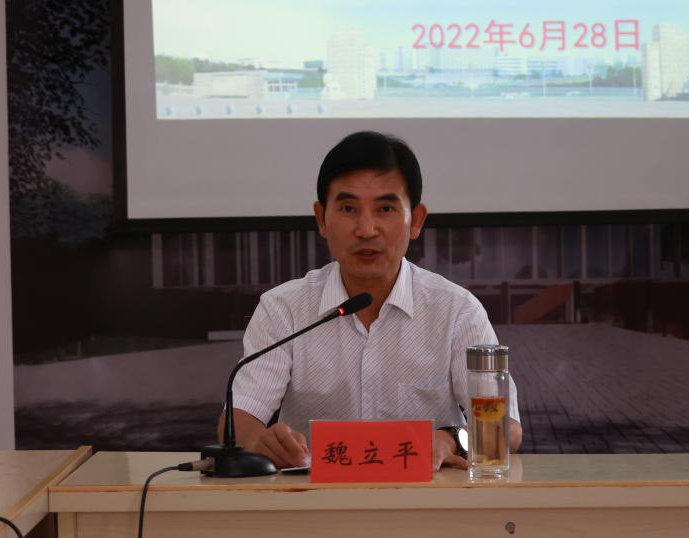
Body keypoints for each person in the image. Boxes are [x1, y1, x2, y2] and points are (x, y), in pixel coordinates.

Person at [218, 131, 522, 470]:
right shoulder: (284, 309)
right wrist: (261, 443)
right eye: (348, 208)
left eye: (385, 208)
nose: (366, 229)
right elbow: (240, 420)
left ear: (416, 221)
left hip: (428, 499)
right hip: (311, 498)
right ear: (321, 219)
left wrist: (453, 438)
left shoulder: (456, 311)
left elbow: (506, 430)